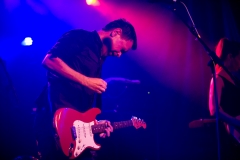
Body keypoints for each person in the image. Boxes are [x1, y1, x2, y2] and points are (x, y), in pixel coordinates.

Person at [34, 18, 137, 160]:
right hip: (55, 121)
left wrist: (95, 124)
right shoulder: (81, 37)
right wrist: (86, 81)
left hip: (74, 132)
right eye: (122, 50)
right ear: (116, 32)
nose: (119, 55)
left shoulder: (100, 58)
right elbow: (49, 60)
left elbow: (82, 109)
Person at [208, 37, 240, 160]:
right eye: (239, 57)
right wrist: (236, 122)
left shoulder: (234, 80)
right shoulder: (217, 78)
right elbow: (214, 110)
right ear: (230, 56)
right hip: (231, 139)